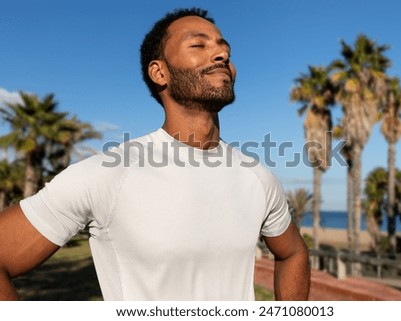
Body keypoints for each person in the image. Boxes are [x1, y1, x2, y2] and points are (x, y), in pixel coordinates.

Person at [0, 7, 310, 301]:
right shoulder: (109, 174)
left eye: (224, 47)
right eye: (198, 45)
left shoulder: (257, 177)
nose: (222, 54)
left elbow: (293, 252)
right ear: (159, 73)